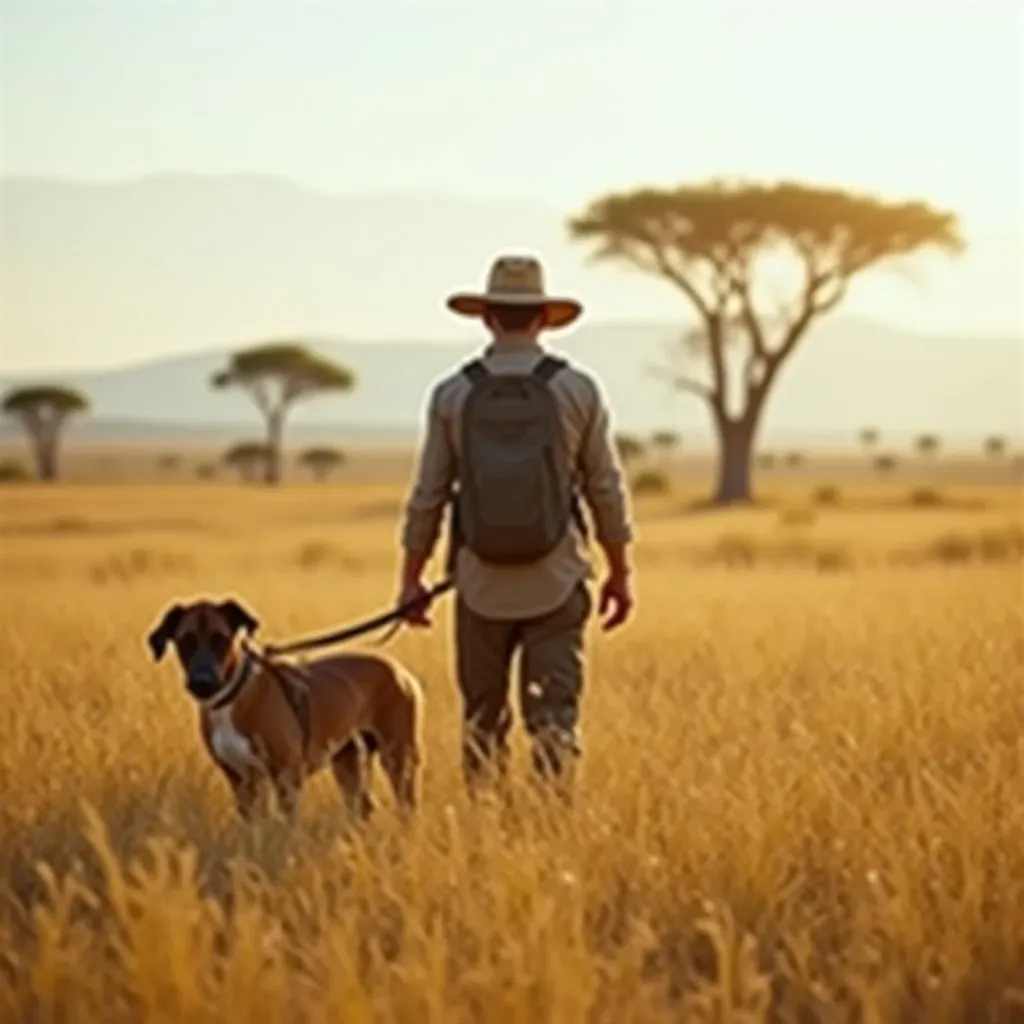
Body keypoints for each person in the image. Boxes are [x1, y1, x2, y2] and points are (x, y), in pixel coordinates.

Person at [396, 254, 636, 801]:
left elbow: (428, 495)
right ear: (545, 318)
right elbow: (605, 487)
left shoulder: (452, 393)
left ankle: (483, 823)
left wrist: (412, 579)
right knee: (554, 720)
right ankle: (551, 823)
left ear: (486, 318)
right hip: (558, 578)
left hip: (479, 583)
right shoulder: (578, 389)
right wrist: (621, 571)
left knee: (482, 719)